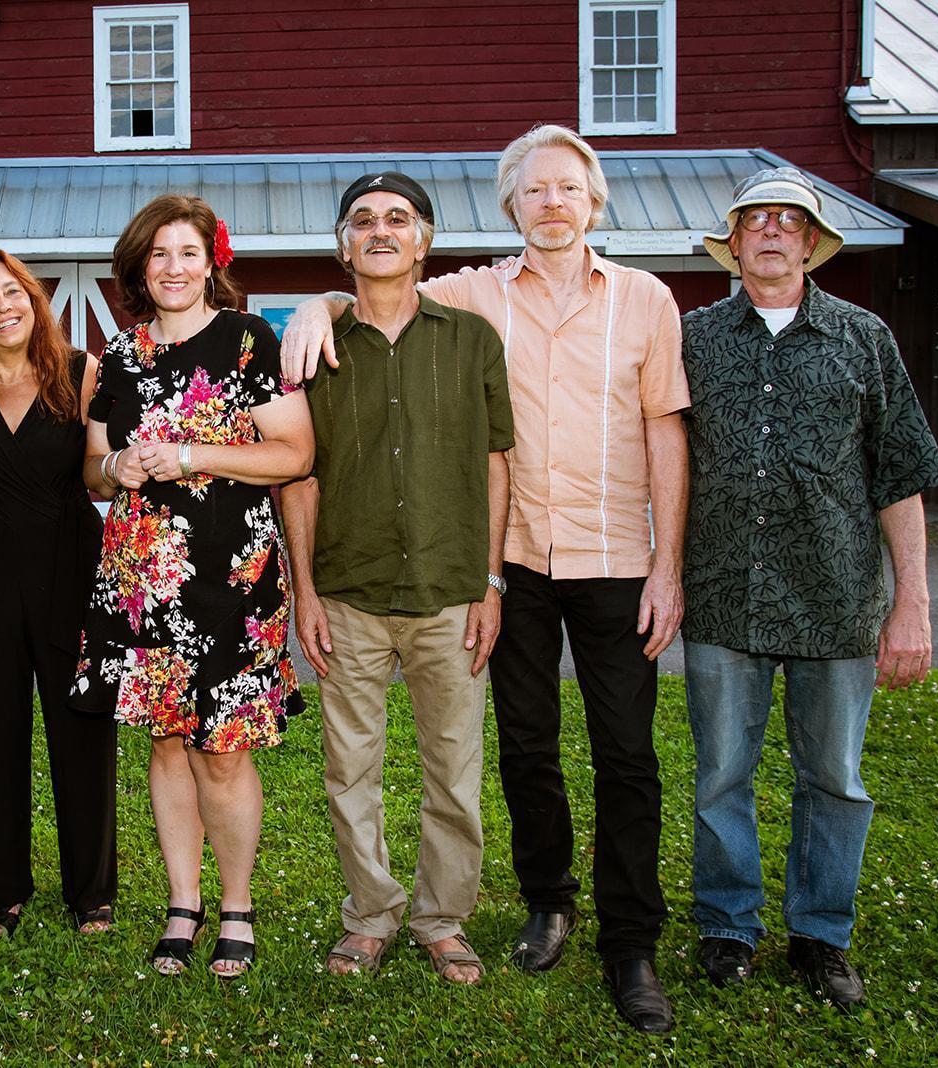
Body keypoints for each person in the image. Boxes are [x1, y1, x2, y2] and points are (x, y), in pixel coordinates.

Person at [281, 125, 689, 1032]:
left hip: (591, 562)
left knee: (606, 757)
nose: (552, 203)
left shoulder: (628, 302)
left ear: (593, 201)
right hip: (456, 573)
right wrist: (313, 304)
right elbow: (372, 290)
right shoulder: (459, 298)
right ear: (511, 207)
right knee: (500, 751)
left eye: (568, 188)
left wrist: (663, 564)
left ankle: (603, 936)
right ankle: (509, 906)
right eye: (534, 189)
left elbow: (647, 433)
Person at [681, 168, 938, 1008]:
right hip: (722, 595)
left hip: (837, 600)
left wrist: (912, 603)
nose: (770, 230)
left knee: (834, 778)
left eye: (787, 219)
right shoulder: (692, 339)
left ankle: (820, 935)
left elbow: (899, 474)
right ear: (733, 243)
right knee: (721, 775)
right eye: (755, 218)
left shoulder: (863, 338)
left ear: (811, 242)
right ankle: (728, 926)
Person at [71, 194, 313, 978]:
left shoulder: (248, 341)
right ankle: (184, 904)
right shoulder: (119, 354)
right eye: (158, 254)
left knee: (224, 750)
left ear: (212, 262)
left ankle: (236, 907)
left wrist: (193, 455)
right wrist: (116, 465)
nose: (173, 268)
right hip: (142, 581)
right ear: (139, 268)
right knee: (168, 742)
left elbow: (294, 453)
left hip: (234, 580)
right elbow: (92, 469)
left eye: (187, 252)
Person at [281, 172, 513, 985]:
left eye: (397, 219)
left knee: (454, 771)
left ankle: (442, 919)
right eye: (363, 220)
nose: (380, 230)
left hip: (451, 592)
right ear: (343, 246)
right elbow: (298, 476)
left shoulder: (472, 340)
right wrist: (305, 592)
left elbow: (496, 463)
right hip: (347, 593)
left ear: (424, 241)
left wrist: (491, 582)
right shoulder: (312, 347)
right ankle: (371, 916)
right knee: (351, 772)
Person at [0, 249, 117, 939]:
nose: (1, 307)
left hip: (70, 559)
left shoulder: (81, 371)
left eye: (12, 292)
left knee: (81, 726)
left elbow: (97, 467)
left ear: (34, 301)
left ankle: (91, 892)